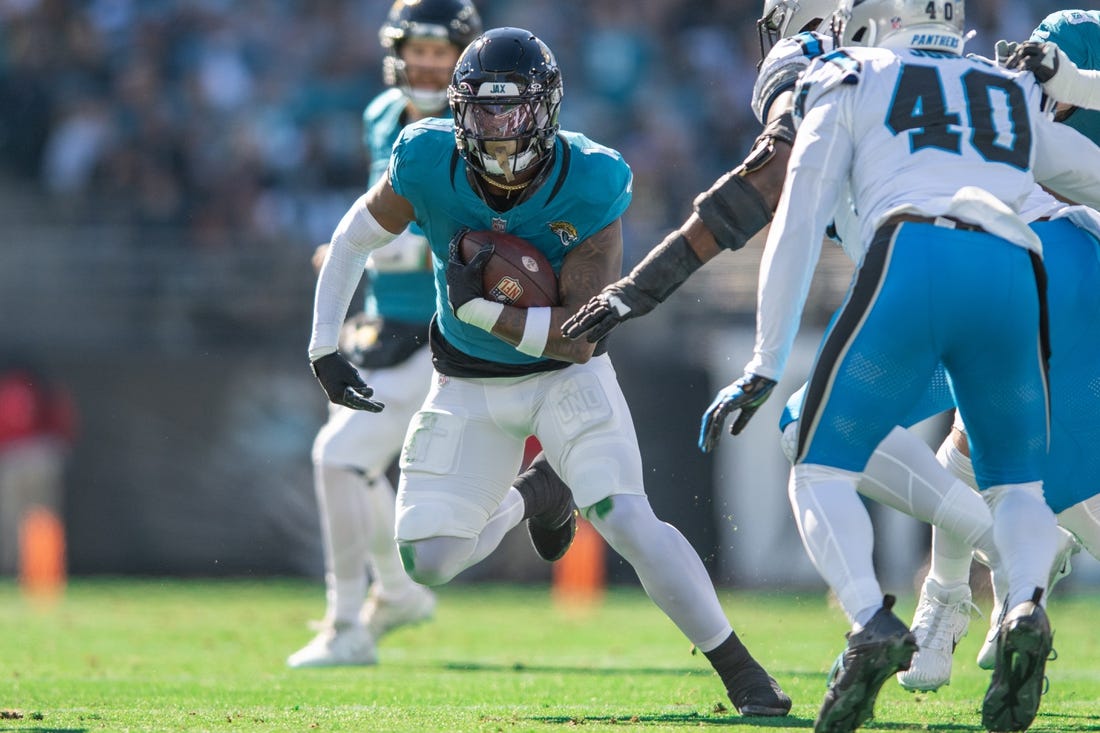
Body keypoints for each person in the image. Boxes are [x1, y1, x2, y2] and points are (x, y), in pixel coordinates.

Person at [307, 26, 791, 717]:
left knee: (624, 515)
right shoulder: (424, 156)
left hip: (564, 377)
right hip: (467, 381)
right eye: (483, 110)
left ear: (547, 107)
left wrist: (479, 311)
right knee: (430, 558)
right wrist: (323, 347)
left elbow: (578, 338)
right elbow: (354, 236)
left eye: (513, 109)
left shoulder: (591, 179)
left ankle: (744, 672)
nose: (499, 129)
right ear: (458, 111)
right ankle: (537, 495)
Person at [692, 0, 1100, 730]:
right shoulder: (991, 84)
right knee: (1007, 473)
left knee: (808, 442)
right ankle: (992, 597)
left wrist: (764, 357)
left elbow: (791, 224)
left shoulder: (851, 76)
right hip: (1033, 264)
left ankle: (884, 612)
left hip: (974, 258)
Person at [899, 7, 1100, 692]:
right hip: (1031, 294)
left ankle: (1012, 582)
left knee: (1031, 460)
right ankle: (961, 596)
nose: (1030, 73)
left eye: (1048, 62)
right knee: (972, 435)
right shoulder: (1013, 117)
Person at [286, 0, 482, 669]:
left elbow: (463, 233)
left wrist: (370, 251)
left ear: (461, 57)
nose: (427, 65)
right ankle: (394, 592)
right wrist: (354, 251)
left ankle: (348, 622)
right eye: (418, 51)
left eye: (440, 53)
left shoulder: (474, 124)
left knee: (341, 459)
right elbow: (381, 218)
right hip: (385, 322)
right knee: (352, 466)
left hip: (445, 324)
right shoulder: (380, 115)